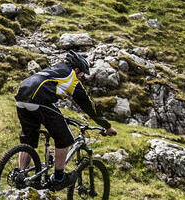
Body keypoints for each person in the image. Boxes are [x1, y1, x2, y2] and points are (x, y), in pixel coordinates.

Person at [10, 52, 114, 188]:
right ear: (76, 69)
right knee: (64, 138)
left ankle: (20, 175)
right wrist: (107, 126)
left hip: (21, 99)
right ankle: (59, 178)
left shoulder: (55, 69)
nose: (81, 77)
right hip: (39, 101)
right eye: (81, 74)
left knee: (28, 140)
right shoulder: (72, 78)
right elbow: (89, 106)